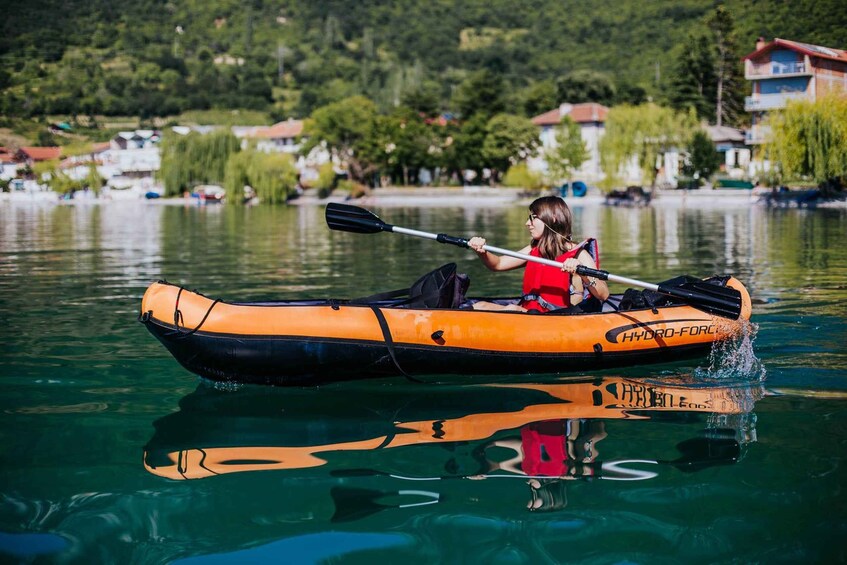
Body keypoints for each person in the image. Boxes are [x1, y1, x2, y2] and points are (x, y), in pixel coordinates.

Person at [468, 196, 609, 312]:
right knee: (480, 306)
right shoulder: (532, 249)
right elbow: (498, 264)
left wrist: (583, 273)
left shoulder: (579, 254)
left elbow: (603, 294)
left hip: (554, 318)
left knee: (511, 309)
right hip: (528, 312)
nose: (527, 223)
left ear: (552, 218)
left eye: (533, 217)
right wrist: (482, 251)